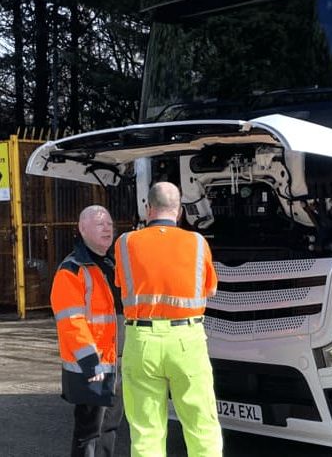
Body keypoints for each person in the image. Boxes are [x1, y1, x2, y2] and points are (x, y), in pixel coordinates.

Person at [114, 181, 222, 457]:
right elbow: (210, 288)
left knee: (146, 430)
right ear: (180, 211)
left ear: (148, 208)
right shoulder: (197, 242)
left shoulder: (126, 243)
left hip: (141, 341)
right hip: (187, 340)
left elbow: (122, 285)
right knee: (201, 426)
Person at [50, 205, 124, 457]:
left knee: (108, 430)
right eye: (99, 223)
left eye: (109, 223)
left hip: (115, 365)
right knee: (89, 434)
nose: (107, 227)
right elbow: (71, 321)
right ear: (82, 229)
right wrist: (90, 361)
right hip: (92, 367)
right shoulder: (72, 270)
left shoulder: (112, 265)